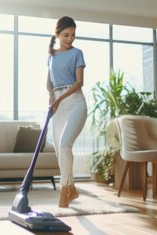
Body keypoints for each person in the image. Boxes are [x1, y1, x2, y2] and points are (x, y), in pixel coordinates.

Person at [46, 16, 87, 208]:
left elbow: (79, 82)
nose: (70, 39)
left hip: (75, 102)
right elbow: (49, 81)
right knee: (59, 151)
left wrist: (59, 99)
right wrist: (51, 97)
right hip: (58, 105)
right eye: (66, 35)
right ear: (57, 34)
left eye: (73, 35)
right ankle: (72, 189)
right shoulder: (52, 55)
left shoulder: (77, 53)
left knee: (64, 145)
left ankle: (64, 191)